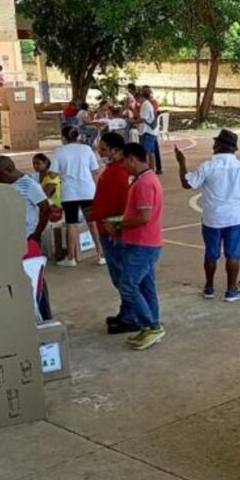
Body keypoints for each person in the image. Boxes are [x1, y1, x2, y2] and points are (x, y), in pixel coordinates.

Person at [176, 129, 240, 302]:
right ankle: (231, 290)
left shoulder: (207, 166)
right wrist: (237, 203)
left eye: (215, 142)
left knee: (211, 253)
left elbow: (187, 183)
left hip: (212, 218)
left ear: (219, 145)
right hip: (234, 217)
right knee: (233, 255)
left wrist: (182, 162)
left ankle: (209, 287)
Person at [110, 143, 165, 351]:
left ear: (132, 159)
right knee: (146, 287)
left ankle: (152, 326)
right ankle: (151, 325)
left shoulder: (144, 183)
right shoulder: (145, 179)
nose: (122, 166)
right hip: (144, 242)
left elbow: (144, 217)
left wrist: (120, 224)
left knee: (127, 285)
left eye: (123, 161)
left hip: (143, 244)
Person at [0, 155, 53, 320]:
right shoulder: (6, 186)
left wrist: (37, 233)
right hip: (12, 239)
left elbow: (45, 209)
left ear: (9, 170)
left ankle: (45, 316)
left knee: (35, 279)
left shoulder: (30, 185)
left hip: (28, 239)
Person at [90, 133, 140, 335]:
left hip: (113, 231)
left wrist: (117, 228)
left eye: (104, 148)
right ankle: (127, 311)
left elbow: (123, 205)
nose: (100, 152)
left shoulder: (119, 173)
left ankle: (132, 316)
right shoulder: (113, 170)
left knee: (122, 277)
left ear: (116, 151)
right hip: (107, 228)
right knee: (118, 276)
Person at [51, 126, 105, 267]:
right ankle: (101, 254)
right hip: (87, 191)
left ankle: (71, 258)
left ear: (63, 138)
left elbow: (53, 173)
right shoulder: (86, 149)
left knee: (72, 224)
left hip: (69, 193)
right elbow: (95, 170)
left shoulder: (59, 152)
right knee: (92, 223)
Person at [134, 88, 162, 174]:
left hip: (147, 132)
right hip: (151, 132)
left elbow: (143, 119)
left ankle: (144, 171)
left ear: (140, 97)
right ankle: (151, 170)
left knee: (144, 153)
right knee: (151, 152)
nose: (137, 102)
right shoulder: (147, 104)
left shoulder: (145, 105)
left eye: (137, 99)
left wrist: (133, 121)